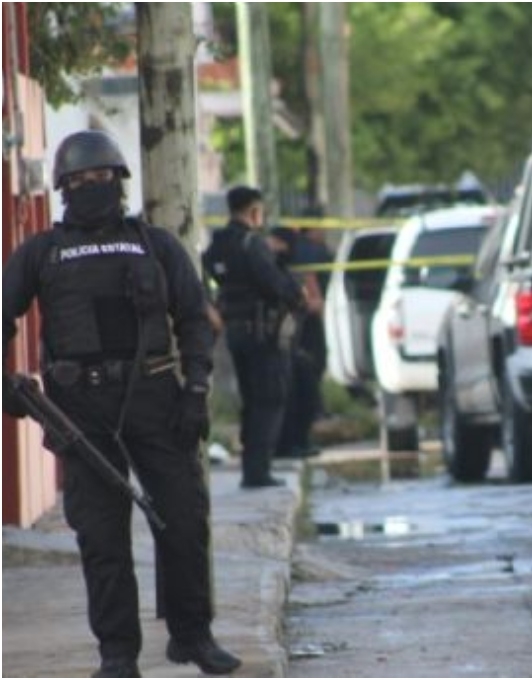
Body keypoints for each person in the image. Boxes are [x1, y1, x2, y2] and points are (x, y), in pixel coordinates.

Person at [1, 130, 241, 677]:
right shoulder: (42, 251)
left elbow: (194, 321)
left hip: (155, 397)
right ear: (62, 190)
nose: (90, 187)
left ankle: (192, 636)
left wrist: (197, 390)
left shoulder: (157, 245)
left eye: (100, 178)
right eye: (79, 181)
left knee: (182, 519)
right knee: (103, 539)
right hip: (80, 411)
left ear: (119, 182)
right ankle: (117, 655)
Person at [202, 187, 305, 488]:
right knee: (269, 398)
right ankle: (257, 471)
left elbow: (208, 270)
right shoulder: (252, 243)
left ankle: (253, 468)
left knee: (251, 399)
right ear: (253, 211)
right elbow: (273, 284)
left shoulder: (219, 244)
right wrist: (294, 293)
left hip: (235, 331)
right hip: (263, 333)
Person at [276, 227, 332, 457]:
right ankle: (290, 443)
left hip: (303, 339)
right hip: (288, 343)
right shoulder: (282, 266)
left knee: (305, 394)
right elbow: (313, 302)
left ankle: (298, 441)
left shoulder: (299, 263)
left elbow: (314, 302)